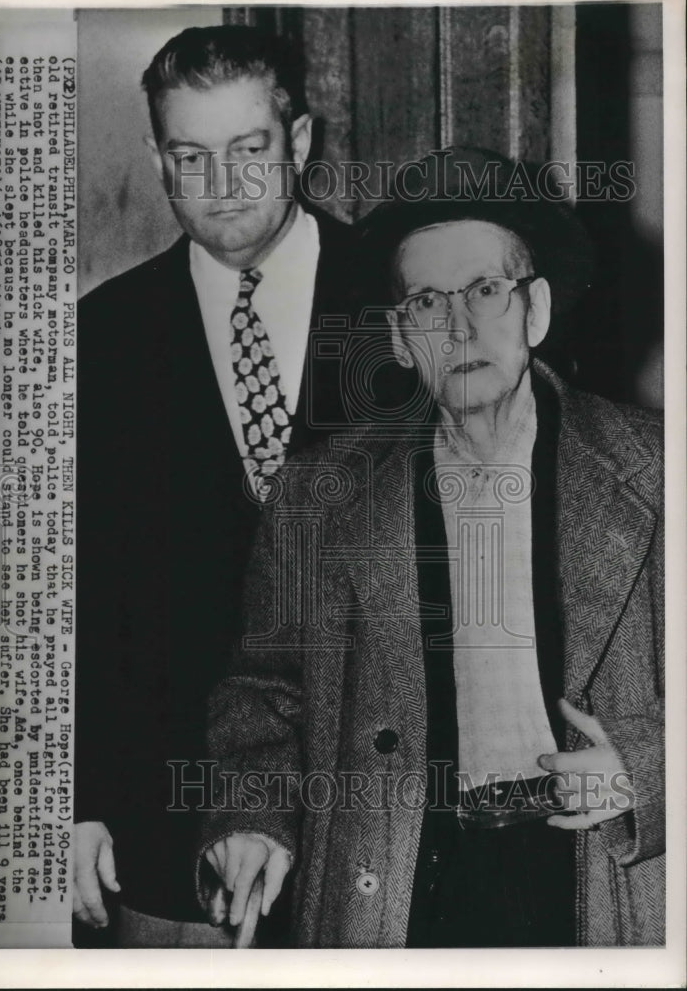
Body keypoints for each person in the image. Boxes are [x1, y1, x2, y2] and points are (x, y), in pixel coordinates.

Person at [200, 148, 664, 947]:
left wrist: (649, 769)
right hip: (397, 887)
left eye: (486, 290)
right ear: (399, 336)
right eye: (426, 302)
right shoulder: (318, 495)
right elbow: (262, 691)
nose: (458, 327)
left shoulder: (657, 472)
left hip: (604, 881)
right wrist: (253, 816)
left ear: (536, 309)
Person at [72, 24, 401, 947]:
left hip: (374, 821)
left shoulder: (402, 303)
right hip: (162, 832)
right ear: (157, 160)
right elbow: (75, 588)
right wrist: (81, 796)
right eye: (191, 156)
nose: (221, 183)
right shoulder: (101, 338)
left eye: (249, 150)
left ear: (298, 141)